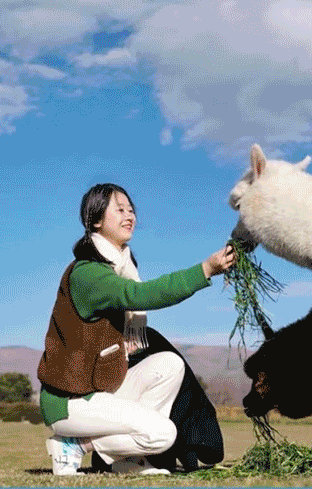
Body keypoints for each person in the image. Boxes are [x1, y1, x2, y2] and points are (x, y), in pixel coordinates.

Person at [37, 183, 236, 475]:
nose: (129, 216)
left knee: (170, 364)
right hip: (70, 402)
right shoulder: (88, 273)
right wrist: (205, 270)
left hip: (99, 393)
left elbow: (135, 295)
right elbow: (140, 295)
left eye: (131, 210)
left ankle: (126, 460)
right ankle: (74, 445)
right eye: (119, 210)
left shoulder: (120, 266)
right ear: (95, 220)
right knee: (164, 434)